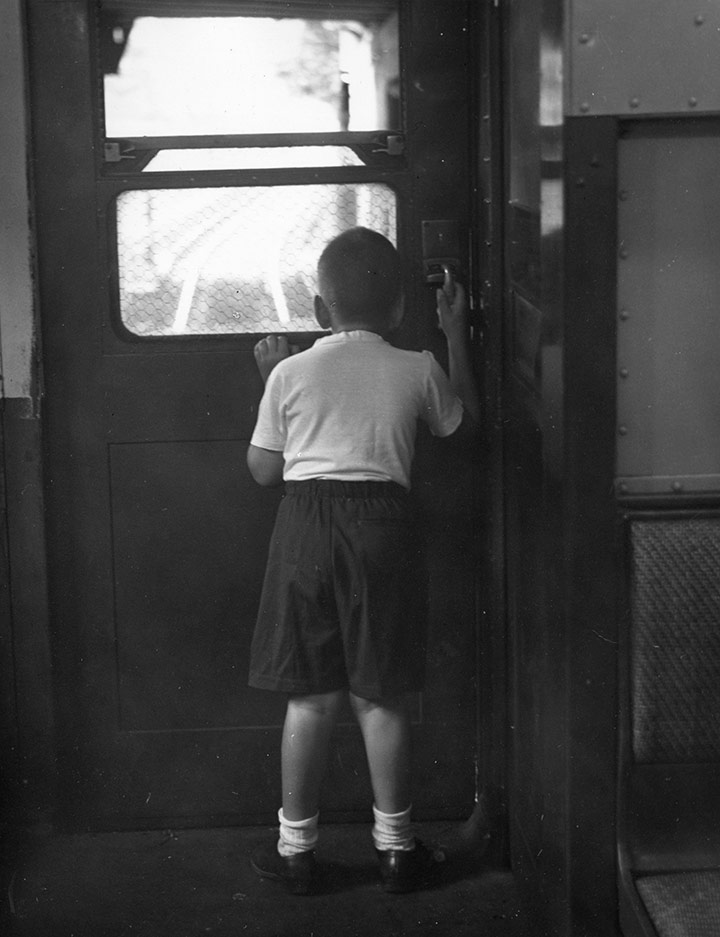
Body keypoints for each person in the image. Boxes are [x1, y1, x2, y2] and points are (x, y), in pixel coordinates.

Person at [245, 227, 480, 895]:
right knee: (380, 696)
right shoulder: (416, 366)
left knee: (312, 696)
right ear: (402, 309)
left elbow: (263, 470)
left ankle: (296, 849)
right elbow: (463, 430)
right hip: (384, 525)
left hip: (305, 526)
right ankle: (398, 849)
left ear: (321, 311)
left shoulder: (290, 372)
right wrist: (455, 337)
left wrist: (272, 385)